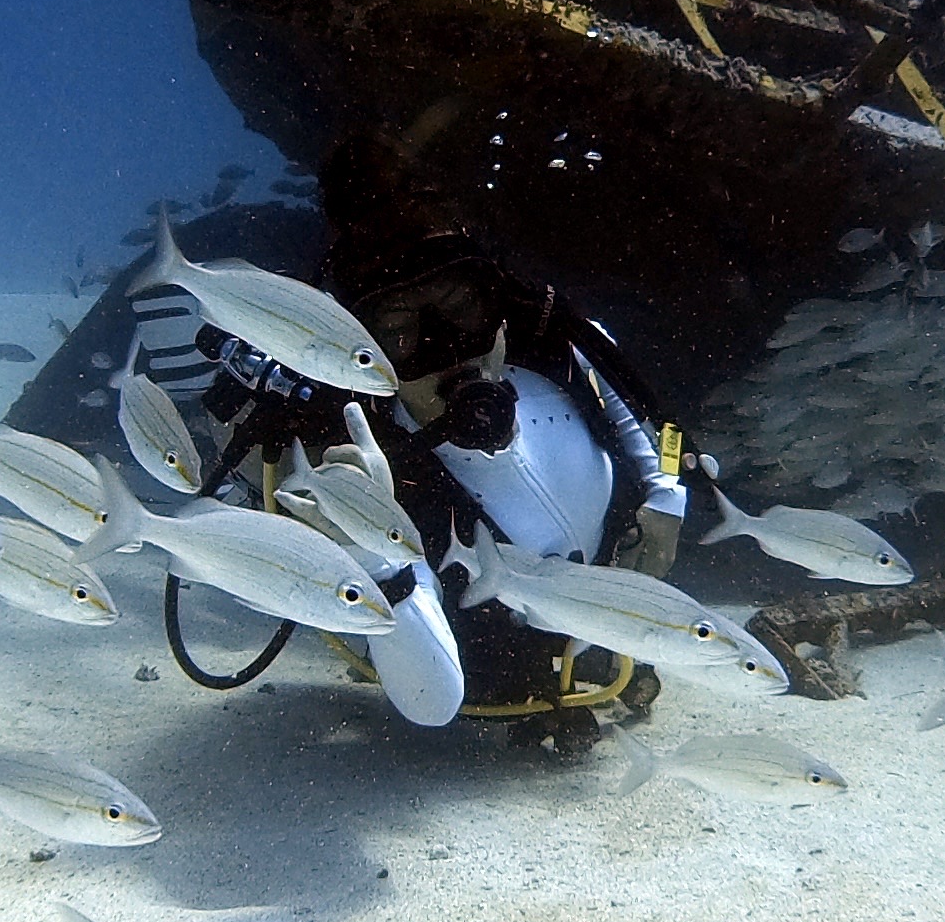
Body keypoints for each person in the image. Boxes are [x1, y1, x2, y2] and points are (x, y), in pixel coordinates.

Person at [185, 138, 701, 743]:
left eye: (462, 308)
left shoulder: (558, 334)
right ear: (367, 353)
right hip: (484, 660)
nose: (446, 348)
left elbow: (661, 423)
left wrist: (668, 495)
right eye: (400, 333)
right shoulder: (360, 452)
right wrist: (378, 548)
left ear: (495, 303)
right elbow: (431, 704)